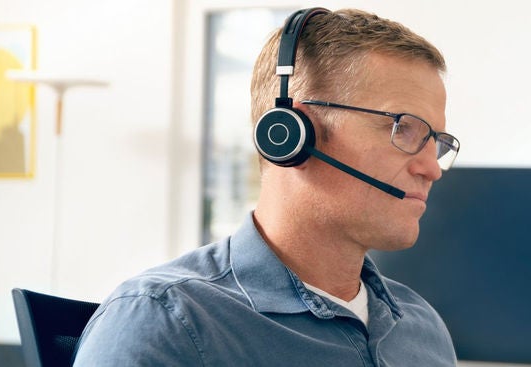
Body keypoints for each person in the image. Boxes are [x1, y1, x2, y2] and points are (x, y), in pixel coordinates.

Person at [74, 8, 460, 366]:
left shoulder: (420, 325)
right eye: (403, 128)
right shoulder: (167, 322)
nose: (432, 168)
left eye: (436, 141)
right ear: (291, 134)